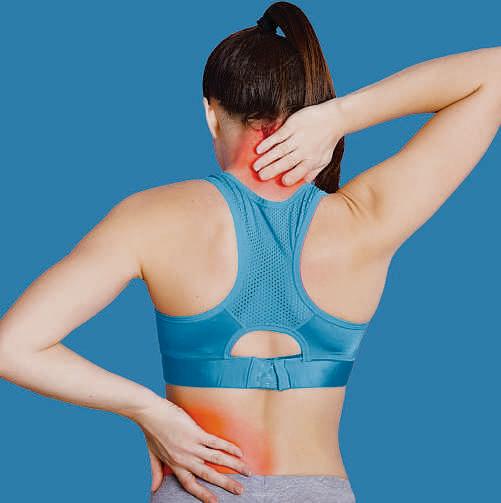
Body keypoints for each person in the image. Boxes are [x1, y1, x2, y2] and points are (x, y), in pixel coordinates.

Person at [1, 2, 500, 502]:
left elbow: (11, 348)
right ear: (306, 110)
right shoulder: (364, 219)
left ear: (211, 113)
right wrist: (341, 116)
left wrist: (148, 410)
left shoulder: (152, 217)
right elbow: (493, 73)